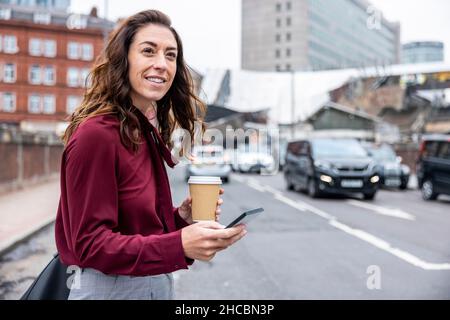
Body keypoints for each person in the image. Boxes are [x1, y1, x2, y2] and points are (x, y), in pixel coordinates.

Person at [55, 9, 247, 300]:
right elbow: (90, 245)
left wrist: (181, 218)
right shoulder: (96, 135)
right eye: (148, 51)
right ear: (124, 59)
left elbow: (138, 228)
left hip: (151, 284)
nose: (162, 64)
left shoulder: (142, 131)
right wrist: (179, 245)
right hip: (111, 290)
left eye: (171, 55)